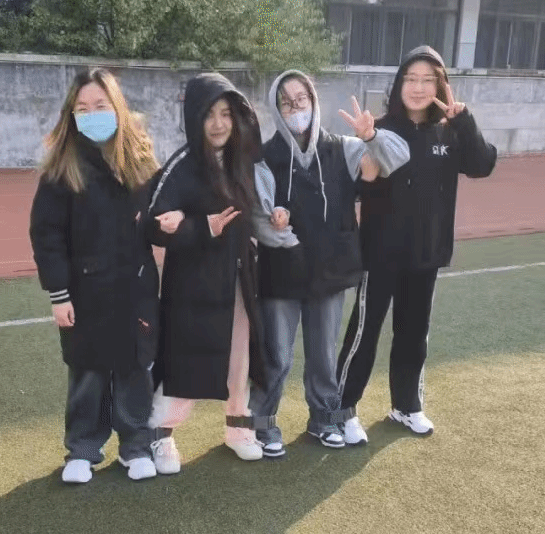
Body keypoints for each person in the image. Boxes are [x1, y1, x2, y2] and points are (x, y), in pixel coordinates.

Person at [336, 46, 497, 439]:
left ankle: (406, 406)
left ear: (440, 86)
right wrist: (366, 144)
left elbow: (482, 165)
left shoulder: (450, 131)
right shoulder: (379, 128)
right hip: (381, 253)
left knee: (413, 334)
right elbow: (357, 186)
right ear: (399, 84)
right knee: (364, 332)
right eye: (411, 79)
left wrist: (464, 121)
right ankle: (341, 409)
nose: (418, 88)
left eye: (427, 80)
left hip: (426, 253)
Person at [249, 70, 410, 456]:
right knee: (277, 356)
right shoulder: (264, 157)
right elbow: (258, 214)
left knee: (323, 356)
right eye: (286, 103)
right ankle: (262, 423)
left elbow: (398, 157)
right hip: (281, 274)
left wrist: (372, 136)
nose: (295, 109)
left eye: (301, 99)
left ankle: (324, 419)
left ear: (313, 101)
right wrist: (279, 228)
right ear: (276, 109)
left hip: (329, 272)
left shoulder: (343, 148)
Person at [30, 68, 162, 484]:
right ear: (72, 114)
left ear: (117, 107)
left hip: (135, 286)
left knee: (134, 368)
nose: (92, 115)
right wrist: (59, 294)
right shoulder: (62, 167)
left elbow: (158, 219)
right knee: (87, 371)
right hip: (84, 290)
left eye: (100, 106)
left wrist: (171, 224)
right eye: (83, 108)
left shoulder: (140, 158)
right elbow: (46, 234)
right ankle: (84, 448)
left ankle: (135, 446)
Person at [143, 72, 267, 473]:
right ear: (194, 117)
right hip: (193, 286)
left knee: (240, 356)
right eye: (209, 114)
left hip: (239, 280)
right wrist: (200, 228)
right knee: (188, 357)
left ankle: (238, 428)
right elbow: (151, 226)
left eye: (226, 114)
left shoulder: (241, 160)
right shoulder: (182, 165)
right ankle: (160, 433)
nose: (218, 124)